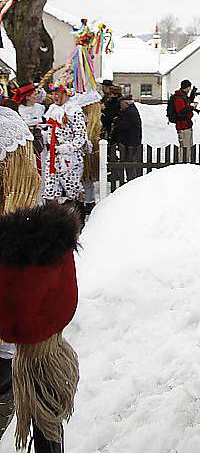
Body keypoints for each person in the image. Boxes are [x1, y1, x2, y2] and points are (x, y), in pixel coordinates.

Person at [0, 105, 79, 452]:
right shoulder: (45, 238)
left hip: (22, 359)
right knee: (47, 424)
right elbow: (60, 305)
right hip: (32, 358)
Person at [43, 85, 88, 225]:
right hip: (53, 156)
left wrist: (68, 147)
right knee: (50, 187)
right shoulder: (53, 109)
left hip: (69, 157)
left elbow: (81, 136)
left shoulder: (74, 111)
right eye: (54, 93)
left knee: (72, 187)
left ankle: (78, 221)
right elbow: (50, 130)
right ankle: (52, 222)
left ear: (66, 94)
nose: (55, 96)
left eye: (58, 93)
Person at [110, 96, 142, 180]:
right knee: (128, 161)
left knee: (130, 162)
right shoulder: (128, 111)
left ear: (126, 103)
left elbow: (123, 126)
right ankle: (130, 178)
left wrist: (116, 122)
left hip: (130, 142)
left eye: (121, 104)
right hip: (128, 142)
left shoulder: (130, 112)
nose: (120, 106)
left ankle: (131, 179)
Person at [169, 80, 196, 153]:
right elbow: (181, 112)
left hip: (186, 125)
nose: (189, 90)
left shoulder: (183, 97)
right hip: (183, 126)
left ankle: (186, 161)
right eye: (189, 88)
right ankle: (183, 162)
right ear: (187, 87)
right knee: (185, 148)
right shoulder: (179, 98)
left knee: (187, 147)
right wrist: (191, 107)